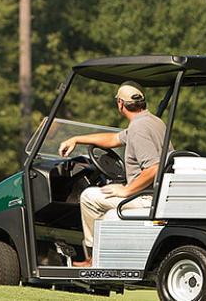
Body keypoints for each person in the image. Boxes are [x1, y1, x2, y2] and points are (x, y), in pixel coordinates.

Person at [58, 81, 169, 267]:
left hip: (146, 198)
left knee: (88, 197)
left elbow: (154, 167)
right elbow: (113, 139)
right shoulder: (152, 122)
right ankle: (105, 252)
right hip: (156, 195)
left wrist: (127, 190)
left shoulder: (139, 129)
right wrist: (76, 139)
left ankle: (93, 259)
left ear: (120, 104)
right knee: (104, 198)